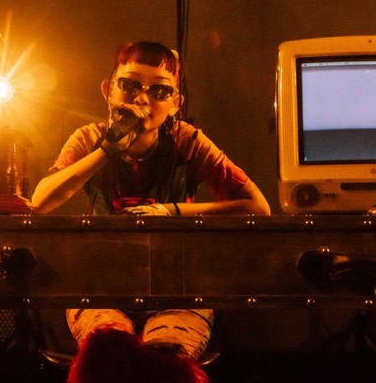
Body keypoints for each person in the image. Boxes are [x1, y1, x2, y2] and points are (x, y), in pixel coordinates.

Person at [31, 40, 270, 383]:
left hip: (179, 290)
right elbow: (40, 201)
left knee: (166, 361)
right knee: (109, 353)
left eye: (159, 91)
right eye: (130, 85)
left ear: (175, 104)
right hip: (100, 288)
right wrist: (107, 151)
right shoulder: (89, 138)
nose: (142, 99)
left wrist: (172, 211)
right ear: (108, 91)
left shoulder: (187, 141)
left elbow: (257, 208)